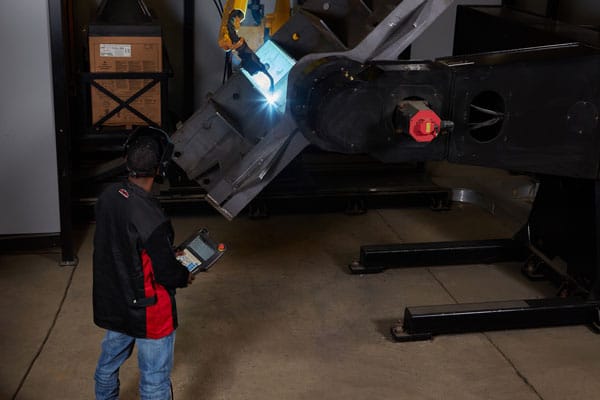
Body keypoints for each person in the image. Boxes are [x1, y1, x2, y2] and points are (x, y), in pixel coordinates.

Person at [93, 127, 193, 400]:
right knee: (153, 384)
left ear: (127, 160)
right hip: (149, 312)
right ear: (160, 169)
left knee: (105, 369)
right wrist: (184, 275)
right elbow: (167, 275)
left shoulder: (108, 196)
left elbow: (123, 243)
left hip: (116, 301)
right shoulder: (153, 218)